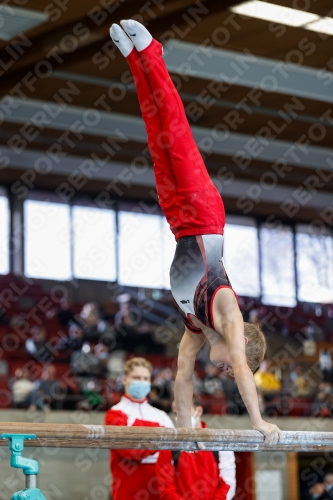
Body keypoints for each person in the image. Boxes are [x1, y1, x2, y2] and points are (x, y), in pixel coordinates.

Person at [110, 20, 280, 444]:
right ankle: (152, 54)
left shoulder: (193, 327)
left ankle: (134, 60)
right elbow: (242, 368)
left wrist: (184, 432)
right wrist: (258, 423)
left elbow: (182, 378)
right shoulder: (226, 312)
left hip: (177, 221)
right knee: (173, 129)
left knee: (154, 136)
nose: (222, 367)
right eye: (228, 362)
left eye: (223, 366)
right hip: (204, 213)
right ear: (240, 343)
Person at [104, 357, 174, 500]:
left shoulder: (160, 416)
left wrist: (144, 434)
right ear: (125, 379)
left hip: (162, 490)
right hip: (128, 490)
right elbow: (130, 451)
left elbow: (175, 452)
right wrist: (161, 435)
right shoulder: (115, 414)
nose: (141, 381)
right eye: (136, 377)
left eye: (145, 378)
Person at [156, 395, 236, 500]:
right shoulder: (169, 446)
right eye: (176, 413)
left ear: (198, 411)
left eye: (183, 412)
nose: (179, 418)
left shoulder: (219, 442)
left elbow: (228, 484)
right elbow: (165, 489)